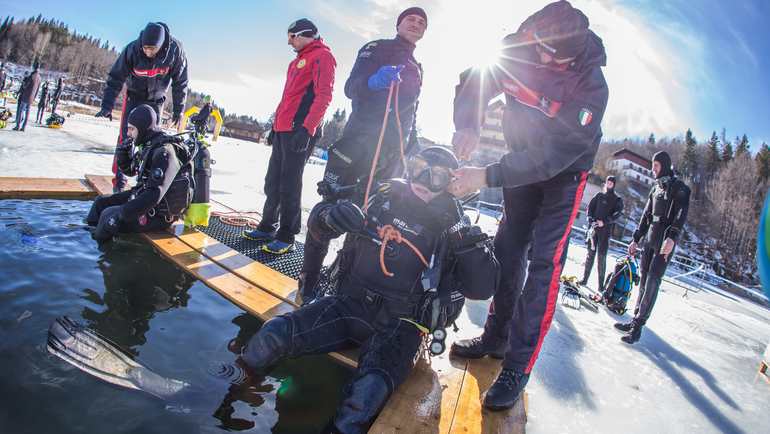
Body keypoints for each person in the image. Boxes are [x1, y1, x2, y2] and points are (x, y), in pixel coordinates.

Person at [238, 147, 499, 433]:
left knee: (364, 397)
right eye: (419, 167)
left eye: (436, 176)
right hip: (348, 305)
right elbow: (317, 224)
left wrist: (460, 229)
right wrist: (330, 217)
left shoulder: (453, 222)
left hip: (403, 325)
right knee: (271, 336)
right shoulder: (381, 196)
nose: (423, 180)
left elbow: (482, 287)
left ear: (451, 182)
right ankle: (233, 397)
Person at [448, 0, 609, 410]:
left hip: (563, 175)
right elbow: (475, 78)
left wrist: (486, 175)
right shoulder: (520, 44)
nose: (538, 56)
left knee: (543, 266)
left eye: (549, 55)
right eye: (537, 46)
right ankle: (495, 339)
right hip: (520, 162)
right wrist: (468, 123)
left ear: (573, 54)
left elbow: (552, 156)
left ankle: (518, 367)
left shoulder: (591, 87)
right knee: (506, 250)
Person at [297, 6, 427, 303]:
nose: (416, 24)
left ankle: (341, 280)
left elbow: (411, 112)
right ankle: (309, 279)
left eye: (422, 22)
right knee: (328, 212)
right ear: (399, 23)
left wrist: (412, 144)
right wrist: (374, 81)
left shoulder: (418, 67)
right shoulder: (376, 49)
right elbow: (350, 88)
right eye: (411, 19)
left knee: (369, 219)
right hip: (356, 147)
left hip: (390, 156)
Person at [242, 18, 336, 254]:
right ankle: (267, 226)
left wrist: (307, 129)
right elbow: (287, 98)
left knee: (289, 184)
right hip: (284, 128)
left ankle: (286, 235)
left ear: (303, 35)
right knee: (272, 180)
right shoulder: (296, 62)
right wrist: (275, 126)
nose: (289, 42)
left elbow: (324, 96)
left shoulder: (323, 57)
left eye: (291, 37)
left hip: (300, 130)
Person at [95, 22, 189, 192]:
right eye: (145, 48)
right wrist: (107, 105)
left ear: (160, 46)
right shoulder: (132, 50)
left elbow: (180, 82)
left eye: (152, 49)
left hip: (156, 100)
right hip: (134, 97)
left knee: (153, 141)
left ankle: (146, 183)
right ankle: (120, 182)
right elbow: (116, 77)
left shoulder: (175, 51)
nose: (148, 52)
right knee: (127, 137)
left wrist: (178, 110)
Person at [86, 104, 193, 242]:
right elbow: (132, 171)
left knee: (109, 216)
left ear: (143, 128)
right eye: (128, 128)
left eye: (132, 129)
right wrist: (123, 155)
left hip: (158, 215)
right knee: (100, 203)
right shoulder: (149, 144)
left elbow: (154, 194)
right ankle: (88, 239)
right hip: (142, 200)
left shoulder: (164, 152)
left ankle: (101, 254)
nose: (128, 133)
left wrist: (122, 212)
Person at [615, 151, 690, 344]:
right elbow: (646, 215)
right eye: (652, 165)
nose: (652, 169)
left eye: (656, 165)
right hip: (650, 238)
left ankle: (638, 327)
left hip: (664, 242)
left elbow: (680, 215)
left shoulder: (679, 188)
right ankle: (634, 320)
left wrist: (672, 238)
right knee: (644, 279)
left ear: (664, 165)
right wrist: (636, 238)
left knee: (652, 283)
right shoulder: (656, 188)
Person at [580, 175, 623, 290]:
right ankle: (584, 280)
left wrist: (605, 222)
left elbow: (617, 214)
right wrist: (590, 219)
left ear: (614, 185)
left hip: (605, 231)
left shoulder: (617, 199)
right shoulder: (599, 196)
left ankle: (600, 286)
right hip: (594, 230)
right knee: (590, 255)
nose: (609, 184)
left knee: (601, 257)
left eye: (611, 183)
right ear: (605, 183)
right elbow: (590, 208)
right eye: (607, 182)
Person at [14, 63, 41, 131]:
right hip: (32, 98)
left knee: (21, 111)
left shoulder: (32, 75)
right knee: (27, 113)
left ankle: (18, 126)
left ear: (34, 67)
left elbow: (26, 86)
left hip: (26, 96)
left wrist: (23, 84)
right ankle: (23, 127)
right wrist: (34, 97)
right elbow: (37, 89)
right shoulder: (39, 77)